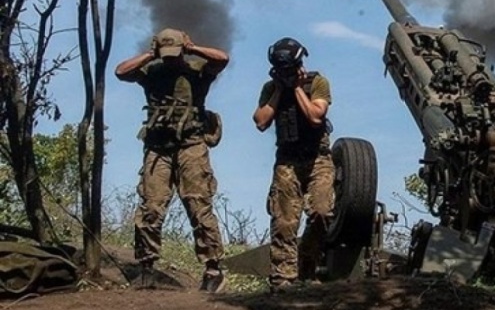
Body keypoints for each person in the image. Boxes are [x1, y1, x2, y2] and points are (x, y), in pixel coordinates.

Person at [115, 28, 228, 293]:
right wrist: (149, 54)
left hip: (191, 146)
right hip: (158, 148)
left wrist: (193, 47)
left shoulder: (197, 70)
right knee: (151, 208)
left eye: (174, 54)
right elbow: (121, 72)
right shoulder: (151, 72)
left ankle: (213, 270)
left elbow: (222, 59)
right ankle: (146, 268)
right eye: (165, 54)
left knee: (199, 207)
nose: (170, 59)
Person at [252, 37, 334, 292]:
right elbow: (261, 121)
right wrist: (279, 90)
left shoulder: (317, 82)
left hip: (317, 159)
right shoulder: (270, 88)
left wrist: (297, 88)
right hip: (287, 160)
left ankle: (307, 262)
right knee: (284, 221)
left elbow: (314, 115)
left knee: (322, 212)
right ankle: (282, 279)